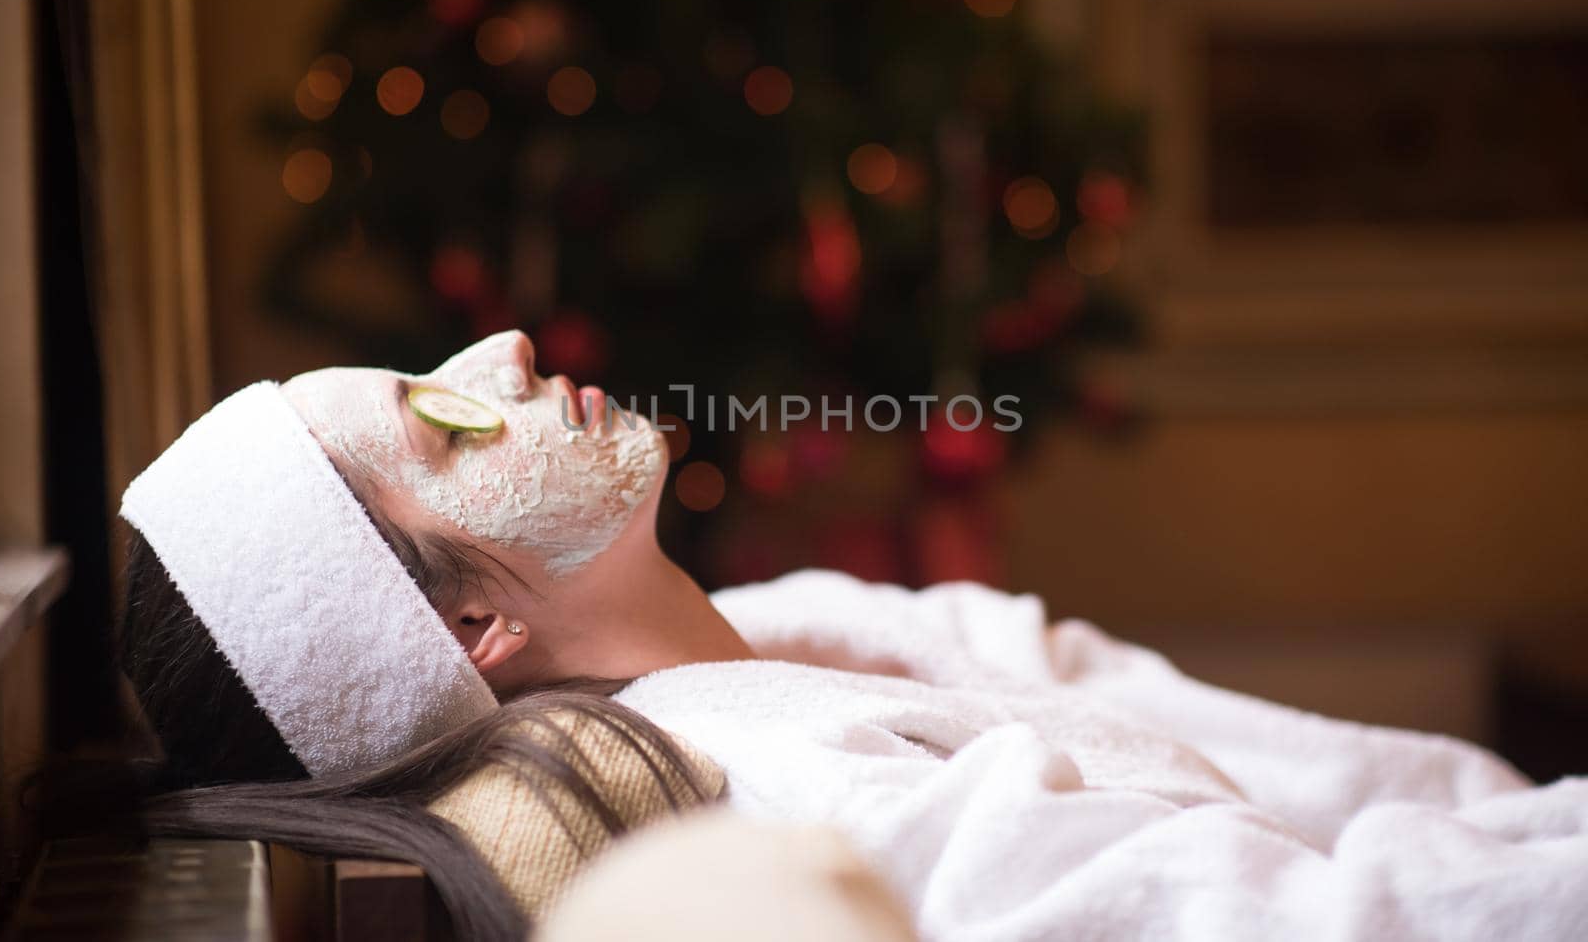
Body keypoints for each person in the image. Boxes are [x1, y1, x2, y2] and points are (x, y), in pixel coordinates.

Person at [80, 329, 1588, 940]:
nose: (508, 352)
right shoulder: (815, 795)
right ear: (471, 626)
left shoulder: (808, 629)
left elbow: (1369, 791)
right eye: (442, 414)